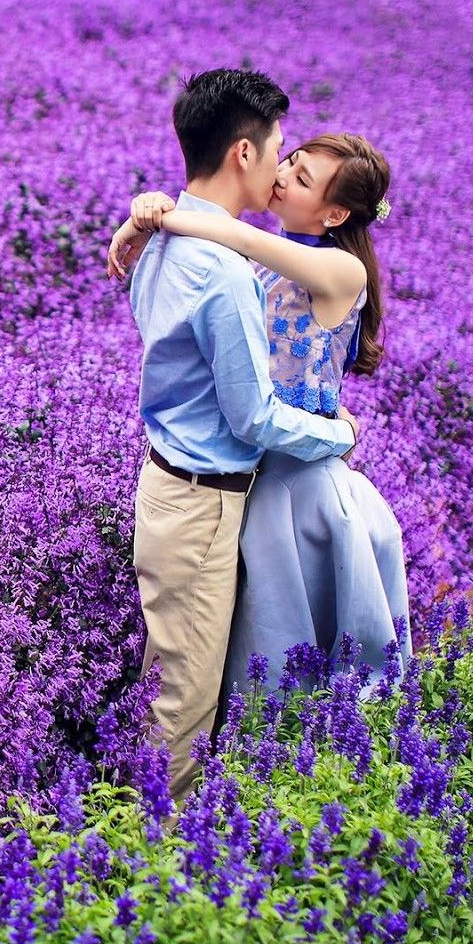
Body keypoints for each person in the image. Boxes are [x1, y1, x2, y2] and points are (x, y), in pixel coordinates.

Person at [112, 68, 359, 802]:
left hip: (171, 484)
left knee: (177, 681)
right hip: (201, 505)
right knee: (183, 705)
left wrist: (139, 214)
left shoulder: (160, 235)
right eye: (279, 146)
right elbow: (252, 418)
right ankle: (151, 863)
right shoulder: (220, 271)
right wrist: (333, 433)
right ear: (242, 155)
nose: (282, 164)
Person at [108, 131, 411, 706]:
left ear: (335, 212)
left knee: (296, 662)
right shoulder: (261, 257)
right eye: (290, 159)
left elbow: (232, 229)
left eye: (301, 180)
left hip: (302, 483)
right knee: (233, 655)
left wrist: (152, 217)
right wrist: (145, 214)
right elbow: (228, 235)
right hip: (252, 469)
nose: (282, 174)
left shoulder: (344, 272)